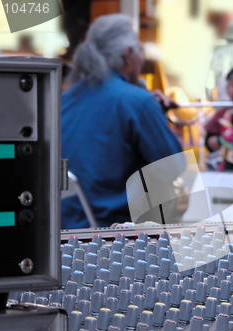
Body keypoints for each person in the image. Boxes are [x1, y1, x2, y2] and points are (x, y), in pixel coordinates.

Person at [61, 14, 184, 229]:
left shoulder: (64, 100)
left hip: (65, 231)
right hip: (115, 235)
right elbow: (174, 167)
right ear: (128, 55)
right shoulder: (138, 101)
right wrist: (156, 114)